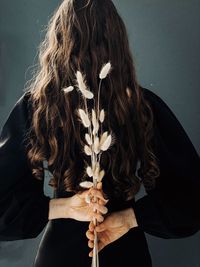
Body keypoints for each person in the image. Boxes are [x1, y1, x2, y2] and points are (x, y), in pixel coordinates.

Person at [0, 0, 199, 266]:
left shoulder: (37, 106)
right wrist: (128, 218)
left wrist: (64, 207)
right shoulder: (142, 105)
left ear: (60, 40)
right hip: (126, 251)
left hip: (60, 255)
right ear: (117, 40)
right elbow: (192, 201)